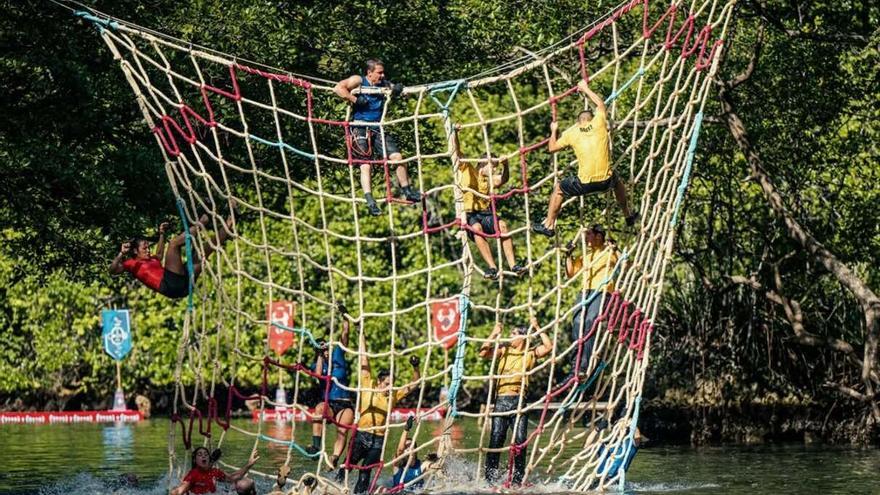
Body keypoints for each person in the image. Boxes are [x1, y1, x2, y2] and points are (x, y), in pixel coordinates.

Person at [531, 80, 637, 238]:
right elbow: (600, 104)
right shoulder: (599, 122)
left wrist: (553, 131)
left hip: (585, 184)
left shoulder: (571, 133)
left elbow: (551, 148)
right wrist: (585, 88)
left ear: (578, 122)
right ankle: (628, 214)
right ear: (592, 118)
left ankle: (549, 225)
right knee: (616, 180)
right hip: (605, 181)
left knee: (559, 188)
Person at [338, 333, 422, 494]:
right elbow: (364, 358)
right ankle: (335, 487)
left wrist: (416, 367)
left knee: (365, 470)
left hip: (378, 440)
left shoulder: (393, 395)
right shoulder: (367, 385)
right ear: (378, 382)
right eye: (387, 384)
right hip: (361, 435)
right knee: (347, 465)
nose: (389, 387)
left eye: (392, 384)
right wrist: (361, 333)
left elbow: (414, 384)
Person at [334, 59, 420, 216]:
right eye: (379, 72)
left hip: (377, 127)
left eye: (383, 72)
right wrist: (355, 100)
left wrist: (398, 90)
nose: (382, 75)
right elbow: (338, 88)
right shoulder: (359, 80)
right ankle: (370, 201)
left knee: (398, 157)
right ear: (369, 73)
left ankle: (407, 191)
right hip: (359, 127)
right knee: (365, 165)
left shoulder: (384, 84)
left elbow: (403, 93)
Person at [478, 317, 553, 485]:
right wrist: (493, 333)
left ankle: (518, 479)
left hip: (519, 402)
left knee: (520, 441)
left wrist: (536, 326)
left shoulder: (530, 353)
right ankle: (490, 478)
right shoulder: (503, 350)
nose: (510, 336)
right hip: (501, 401)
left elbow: (549, 347)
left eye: (513, 333)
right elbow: (482, 353)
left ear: (522, 337)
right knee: (496, 439)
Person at [110, 205, 235, 299]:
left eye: (148, 247)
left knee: (201, 254)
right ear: (135, 251)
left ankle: (228, 226)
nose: (148, 250)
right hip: (170, 285)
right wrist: (121, 254)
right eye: (144, 248)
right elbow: (112, 270)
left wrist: (161, 234)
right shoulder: (131, 263)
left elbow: (159, 254)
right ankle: (203, 222)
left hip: (183, 288)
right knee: (173, 244)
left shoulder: (152, 259)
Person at [453, 125, 526, 280]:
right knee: (477, 228)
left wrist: (505, 165)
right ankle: (492, 268)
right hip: (469, 214)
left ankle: (513, 265)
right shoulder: (467, 168)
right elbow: (456, 151)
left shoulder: (489, 180)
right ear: (482, 163)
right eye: (492, 167)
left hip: (484, 213)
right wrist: (456, 134)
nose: (494, 170)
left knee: (502, 225)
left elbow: (503, 179)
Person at [564, 224, 619, 379]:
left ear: (598, 236)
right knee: (577, 322)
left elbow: (625, 263)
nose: (586, 237)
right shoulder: (586, 255)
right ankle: (576, 365)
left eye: (589, 234)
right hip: (585, 292)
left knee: (589, 322)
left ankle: (583, 365)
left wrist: (616, 249)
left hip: (602, 291)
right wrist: (568, 255)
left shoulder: (609, 252)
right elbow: (570, 273)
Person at [307, 303, 355, 471]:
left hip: (345, 403)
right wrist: (320, 355)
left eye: (326, 347)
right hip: (329, 404)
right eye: (322, 349)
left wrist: (345, 317)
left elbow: (345, 334)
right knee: (318, 410)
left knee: (343, 430)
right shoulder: (316, 365)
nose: (326, 350)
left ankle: (334, 458)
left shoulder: (338, 355)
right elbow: (318, 376)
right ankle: (316, 447)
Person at [170, 447, 259, 495]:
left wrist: (249, 464)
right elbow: (179, 491)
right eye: (200, 454)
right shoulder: (193, 474)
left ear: (209, 459)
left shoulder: (215, 472)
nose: (203, 456)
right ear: (195, 460)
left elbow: (232, 478)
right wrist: (175, 491)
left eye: (206, 454)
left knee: (246, 484)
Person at [389, 415, 424, 491]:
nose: (408, 448)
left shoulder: (421, 465)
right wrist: (406, 428)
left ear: (415, 450)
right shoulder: (398, 463)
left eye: (410, 446)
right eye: (406, 446)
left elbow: (432, 465)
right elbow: (400, 450)